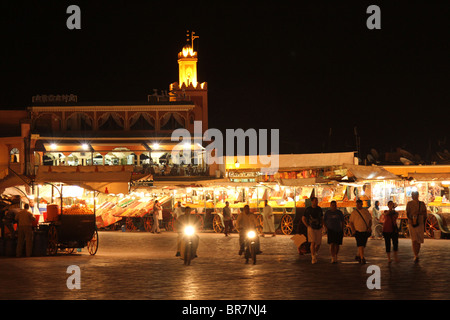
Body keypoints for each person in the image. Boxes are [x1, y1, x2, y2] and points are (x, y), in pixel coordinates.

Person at [406, 191, 427, 263]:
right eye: (412, 195)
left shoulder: (422, 204)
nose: (413, 196)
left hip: (419, 222)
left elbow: (425, 213)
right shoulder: (409, 204)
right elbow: (407, 213)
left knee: (418, 240)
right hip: (413, 222)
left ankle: (416, 254)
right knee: (414, 239)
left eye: (414, 195)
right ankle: (416, 254)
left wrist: (418, 215)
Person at [349, 199, 372, 264]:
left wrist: (369, 227)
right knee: (360, 244)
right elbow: (351, 222)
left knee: (363, 245)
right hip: (358, 230)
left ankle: (358, 255)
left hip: (365, 230)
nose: (359, 205)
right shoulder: (354, 213)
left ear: (362, 204)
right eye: (357, 204)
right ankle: (362, 258)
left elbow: (370, 220)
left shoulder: (366, 212)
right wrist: (353, 230)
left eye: (360, 204)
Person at [302, 197, 323, 264]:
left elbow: (322, 218)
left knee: (319, 243)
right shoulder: (308, 209)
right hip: (311, 227)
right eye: (315, 201)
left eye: (317, 201)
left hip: (319, 227)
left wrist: (322, 225)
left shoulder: (319, 209)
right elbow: (303, 218)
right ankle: (313, 257)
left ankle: (314, 252)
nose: (316, 202)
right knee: (313, 242)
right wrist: (307, 226)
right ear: (312, 201)